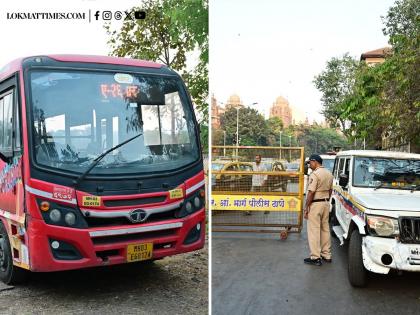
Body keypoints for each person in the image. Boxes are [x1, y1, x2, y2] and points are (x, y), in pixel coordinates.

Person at [303, 154, 334, 266]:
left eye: (310, 163)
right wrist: (326, 201)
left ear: (315, 162)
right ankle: (327, 254)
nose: (309, 165)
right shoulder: (329, 173)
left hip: (315, 204)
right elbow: (330, 190)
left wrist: (307, 207)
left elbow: (311, 192)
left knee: (314, 230)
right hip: (325, 202)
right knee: (325, 228)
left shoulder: (315, 174)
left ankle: (315, 257)